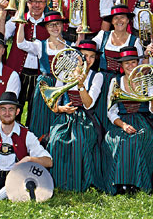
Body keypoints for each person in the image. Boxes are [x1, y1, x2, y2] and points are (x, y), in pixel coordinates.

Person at [45, 39, 109, 193]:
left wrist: (80, 86)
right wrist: (61, 108)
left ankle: (81, 181)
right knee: (56, 140)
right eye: (84, 55)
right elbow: (54, 104)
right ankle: (59, 181)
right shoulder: (64, 72)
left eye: (92, 56)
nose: (88, 60)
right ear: (77, 57)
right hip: (65, 117)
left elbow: (89, 104)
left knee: (80, 140)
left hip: (86, 118)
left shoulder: (97, 76)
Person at [105, 49, 153, 194]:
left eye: (133, 62)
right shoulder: (115, 81)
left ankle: (137, 183)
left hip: (143, 120)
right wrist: (123, 125)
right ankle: (121, 183)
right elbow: (110, 112)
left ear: (138, 63)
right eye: (126, 63)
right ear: (122, 66)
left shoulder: (148, 80)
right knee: (121, 141)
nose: (130, 66)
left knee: (137, 139)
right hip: (121, 121)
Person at [15, 10, 68, 137]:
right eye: (51, 25)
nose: (55, 27)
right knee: (40, 117)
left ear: (62, 25)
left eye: (57, 24)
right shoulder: (40, 45)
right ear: (46, 27)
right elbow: (20, 43)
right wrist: (21, 23)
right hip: (44, 85)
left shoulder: (69, 46)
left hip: (63, 86)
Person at [6, 0, 51, 131]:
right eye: (33, 1)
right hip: (17, 72)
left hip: (39, 74)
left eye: (41, 1)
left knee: (34, 110)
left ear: (46, 3)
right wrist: (2, 13)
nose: (37, 5)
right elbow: (1, 34)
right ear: (27, 3)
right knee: (13, 107)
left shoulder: (50, 23)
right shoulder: (18, 18)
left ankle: (31, 139)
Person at [92, 5, 143, 132]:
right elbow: (88, 50)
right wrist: (81, 35)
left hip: (122, 83)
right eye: (116, 18)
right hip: (102, 81)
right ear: (112, 21)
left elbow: (140, 65)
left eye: (123, 18)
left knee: (117, 113)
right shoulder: (103, 35)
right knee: (100, 114)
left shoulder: (135, 41)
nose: (119, 21)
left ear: (128, 20)